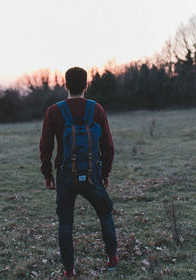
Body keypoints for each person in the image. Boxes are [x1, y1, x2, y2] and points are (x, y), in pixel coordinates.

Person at [39, 67, 118, 279]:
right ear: (86, 85)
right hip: (93, 173)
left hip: (65, 176)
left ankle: (69, 270)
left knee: (65, 223)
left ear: (65, 85)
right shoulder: (97, 110)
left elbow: (45, 148)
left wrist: (47, 175)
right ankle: (112, 258)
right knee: (105, 213)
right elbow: (108, 146)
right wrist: (106, 173)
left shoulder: (53, 111)